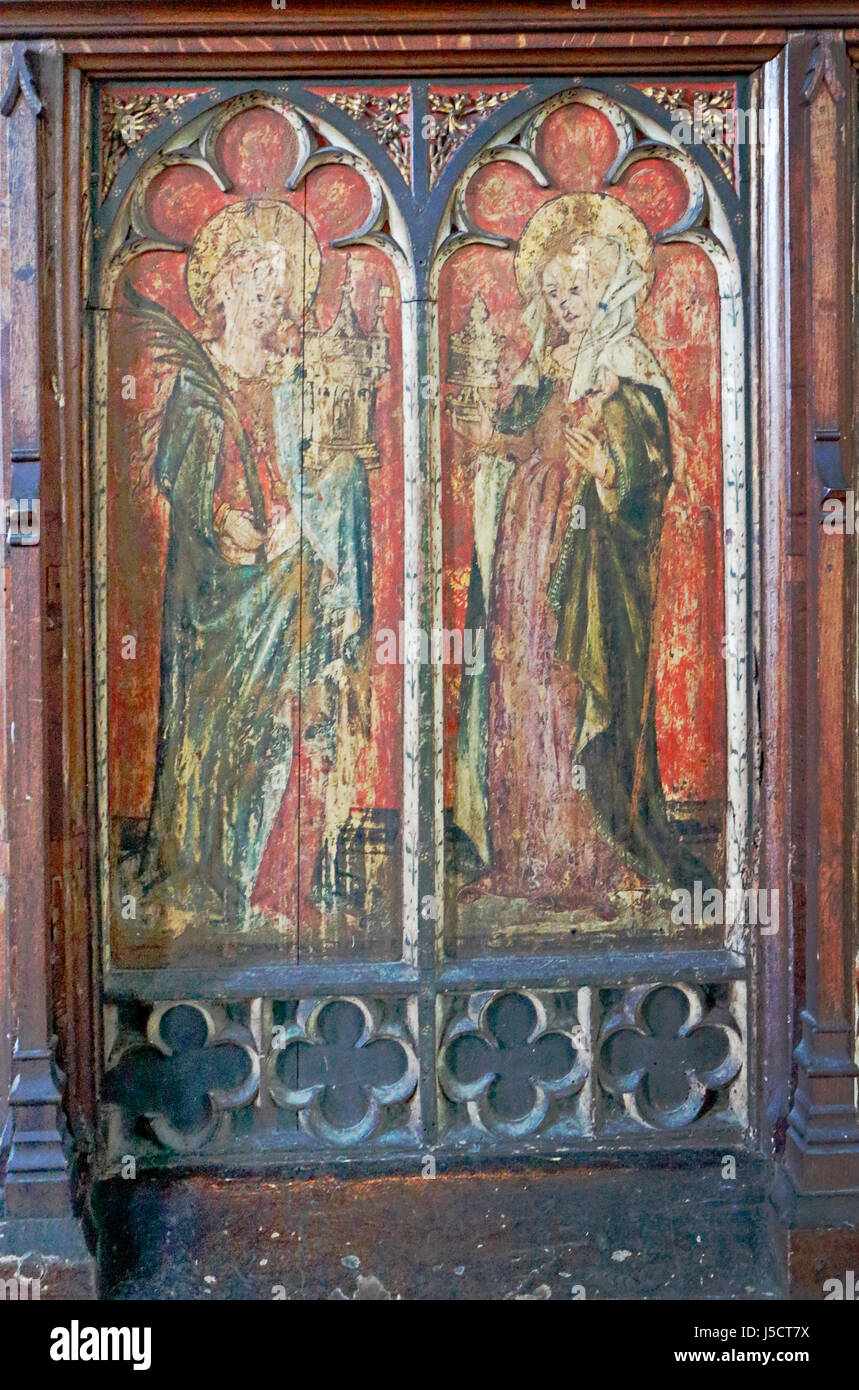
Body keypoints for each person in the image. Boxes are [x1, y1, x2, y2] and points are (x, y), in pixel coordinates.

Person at [449, 192, 711, 917]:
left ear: (610, 286)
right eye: (555, 289)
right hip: (526, 544)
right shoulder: (543, 362)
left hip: (590, 553)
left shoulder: (625, 364)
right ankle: (528, 857)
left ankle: (591, 855)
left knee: (571, 684)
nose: (566, 302)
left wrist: (606, 467)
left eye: (579, 287)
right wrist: (491, 444)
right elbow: (526, 440)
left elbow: (649, 464)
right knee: (523, 682)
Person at [127, 199, 373, 932]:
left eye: (281, 292)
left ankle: (273, 879)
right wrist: (219, 519)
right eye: (261, 289)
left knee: (280, 718)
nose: (274, 305)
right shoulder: (199, 381)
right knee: (213, 730)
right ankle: (203, 879)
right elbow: (185, 478)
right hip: (214, 593)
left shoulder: (293, 378)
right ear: (225, 291)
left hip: (278, 578)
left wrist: (305, 516)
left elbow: (326, 470)